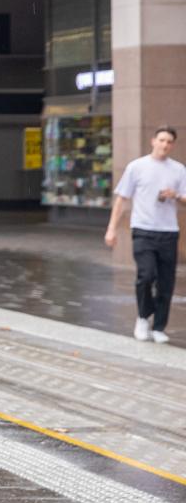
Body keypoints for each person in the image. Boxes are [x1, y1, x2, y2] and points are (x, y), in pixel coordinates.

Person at [105, 126, 184, 344]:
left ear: (173, 145)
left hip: (168, 232)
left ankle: (159, 326)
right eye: (161, 140)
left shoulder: (178, 170)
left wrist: (175, 195)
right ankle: (142, 317)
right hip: (143, 230)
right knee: (146, 275)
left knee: (166, 283)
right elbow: (121, 199)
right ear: (153, 141)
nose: (165, 145)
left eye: (169, 141)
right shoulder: (137, 167)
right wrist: (112, 229)